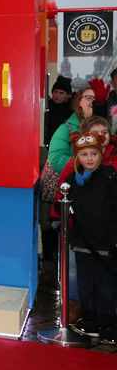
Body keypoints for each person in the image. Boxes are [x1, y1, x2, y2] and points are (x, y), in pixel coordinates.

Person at [57, 132, 117, 343]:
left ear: (100, 154)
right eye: (84, 154)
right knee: (86, 285)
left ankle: (108, 324)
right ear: (77, 157)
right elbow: (64, 205)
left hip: (105, 244)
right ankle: (90, 320)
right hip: (81, 243)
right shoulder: (72, 180)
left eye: (93, 153)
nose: (89, 158)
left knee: (106, 285)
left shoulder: (109, 176)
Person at [48, 86, 97, 173]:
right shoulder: (66, 129)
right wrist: (88, 165)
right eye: (88, 98)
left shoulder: (108, 129)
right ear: (79, 102)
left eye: (95, 99)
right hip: (74, 182)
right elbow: (56, 159)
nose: (93, 101)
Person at [44, 75, 73, 146]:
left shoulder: (71, 110)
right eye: (55, 92)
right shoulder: (45, 106)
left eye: (61, 93)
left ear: (68, 95)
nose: (57, 95)